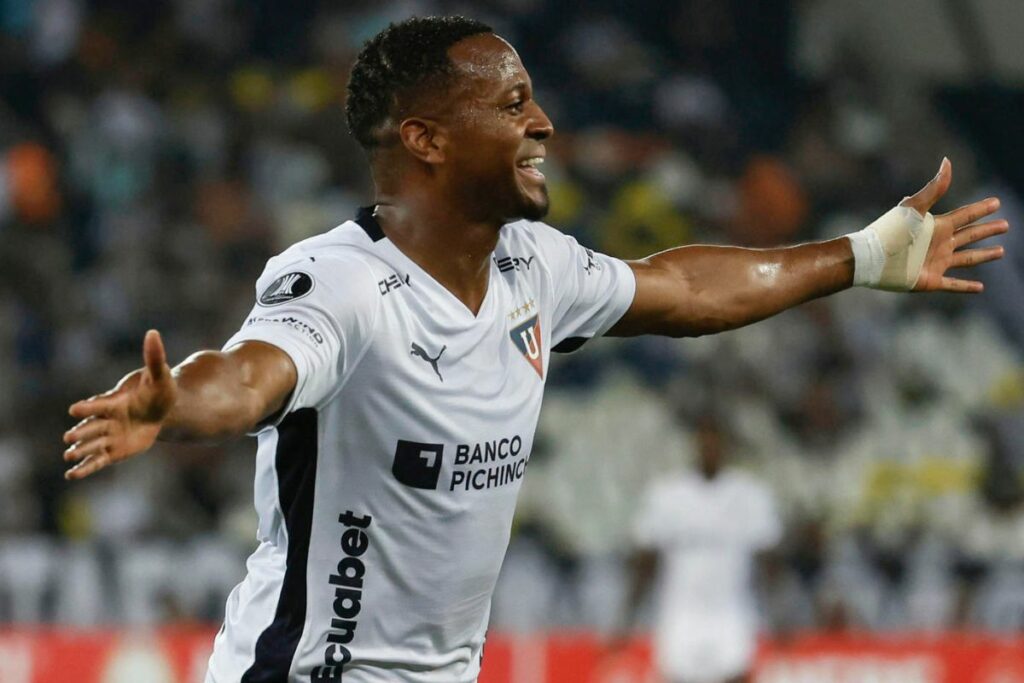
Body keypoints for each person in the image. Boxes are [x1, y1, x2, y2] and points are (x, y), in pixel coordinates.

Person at [60, 15, 1007, 683]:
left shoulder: (534, 267)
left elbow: (679, 287)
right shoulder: (341, 283)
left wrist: (860, 255)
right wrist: (177, 403)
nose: (543, 123)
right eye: (513, 103)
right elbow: (255, 373)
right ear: (426, 138)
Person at [622, 416, 781, 683]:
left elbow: (769, 561)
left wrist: (778, 613)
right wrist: (626, 618)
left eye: (716, 443)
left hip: (731, 610)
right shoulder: (667, 495)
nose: (710, 449)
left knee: (735, 675)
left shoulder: (750, 495)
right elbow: (646, 560)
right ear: (695, 445)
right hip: (681, 612)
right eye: (705, 442)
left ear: (727, 447)